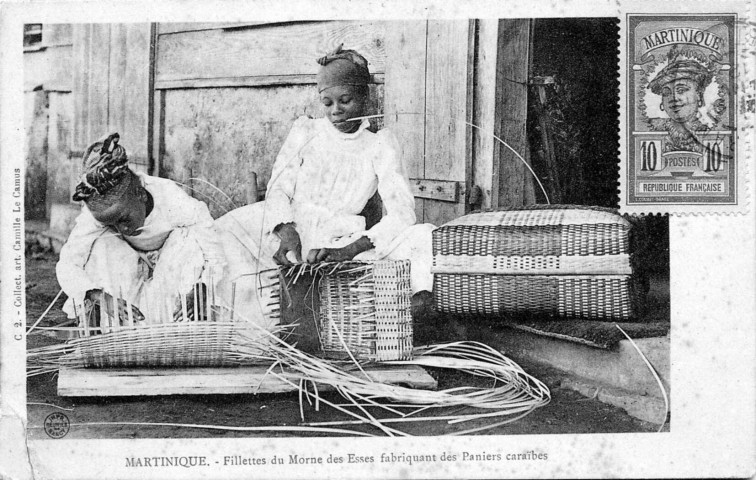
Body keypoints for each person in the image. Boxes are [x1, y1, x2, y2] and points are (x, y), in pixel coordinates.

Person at [220, 45, 435, 309]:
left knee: (424, 234)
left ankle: (417, 308)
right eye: (328, 103)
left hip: (338, 240)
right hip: (291, 230)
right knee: (223, 237)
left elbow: (403, 212)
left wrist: (350, 249)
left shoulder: (379, 145)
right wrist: (285, 229)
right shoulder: (306, 132)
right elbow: (279, 188)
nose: (336, 110)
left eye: (346, 101)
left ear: (365, 98)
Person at [57, 133, 277, 331]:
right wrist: (99, 295)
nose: (121, 228)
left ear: (140, 195)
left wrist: (202, 285)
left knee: (188, 236)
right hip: (131, 271)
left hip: (174, 266)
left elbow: (211, 249)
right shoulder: (97, 214)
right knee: (100, 244)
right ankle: (112, 330)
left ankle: (176, 327)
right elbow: (68, 263)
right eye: (111, 223)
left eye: (124, 219)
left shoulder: (170, 198)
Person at [646, 48, 718, 153]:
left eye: (681, 90)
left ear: (699, 96)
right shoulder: (651, 127)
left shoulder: (710, 131)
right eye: (666, 93)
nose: (674, 98)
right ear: (662, 102)